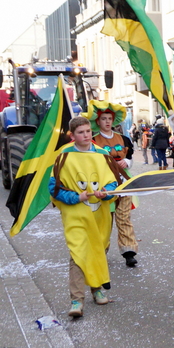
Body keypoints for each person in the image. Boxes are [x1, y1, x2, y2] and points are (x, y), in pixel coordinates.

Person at [48, 116, 121, 317]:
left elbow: (114, 181)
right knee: (78, 253)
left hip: (99, 215)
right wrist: (75, 196)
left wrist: (106, 191)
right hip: (76, 215)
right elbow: (54, 188)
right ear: (72, 135)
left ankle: (97, 289)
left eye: (88, 131)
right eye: (81, 132)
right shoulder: (63, 156)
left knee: (98, 251)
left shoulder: (102, 154)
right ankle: (76, 301)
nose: (86, 135)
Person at [82, 100, 139, 267]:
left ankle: (129, 252)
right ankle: (100, 251)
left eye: (109, 118)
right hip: (103, 184)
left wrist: (127, 163)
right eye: (104, 118)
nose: (107, 122)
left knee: (124, 218)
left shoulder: (124, 139)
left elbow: (130, 157)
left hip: (123, 183)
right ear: (98, 121)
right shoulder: (92, 141)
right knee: (104, 220)